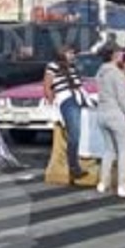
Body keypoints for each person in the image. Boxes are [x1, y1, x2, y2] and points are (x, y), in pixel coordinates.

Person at [95, 46, 125, 198]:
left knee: (109, 150)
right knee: (124, 150)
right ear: (114, 56)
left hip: (101, 113)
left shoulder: (100, 72)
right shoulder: (117, 74)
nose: (123, 56)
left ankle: (103, 182)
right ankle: (123, 185)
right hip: (116, 114)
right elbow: (122, 99)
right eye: (120, 53)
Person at [44, 44, 91, 182]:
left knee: (82, 130)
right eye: (69, 53)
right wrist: (52, 102)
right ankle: (73, 167)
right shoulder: (53, 65)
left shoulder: (72, 67)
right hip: (66, 99)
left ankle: (81, 160)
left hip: (78, 97)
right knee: (74, 133)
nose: (72, 55)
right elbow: (47, 85)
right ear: (62, 53)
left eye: (73, 53)